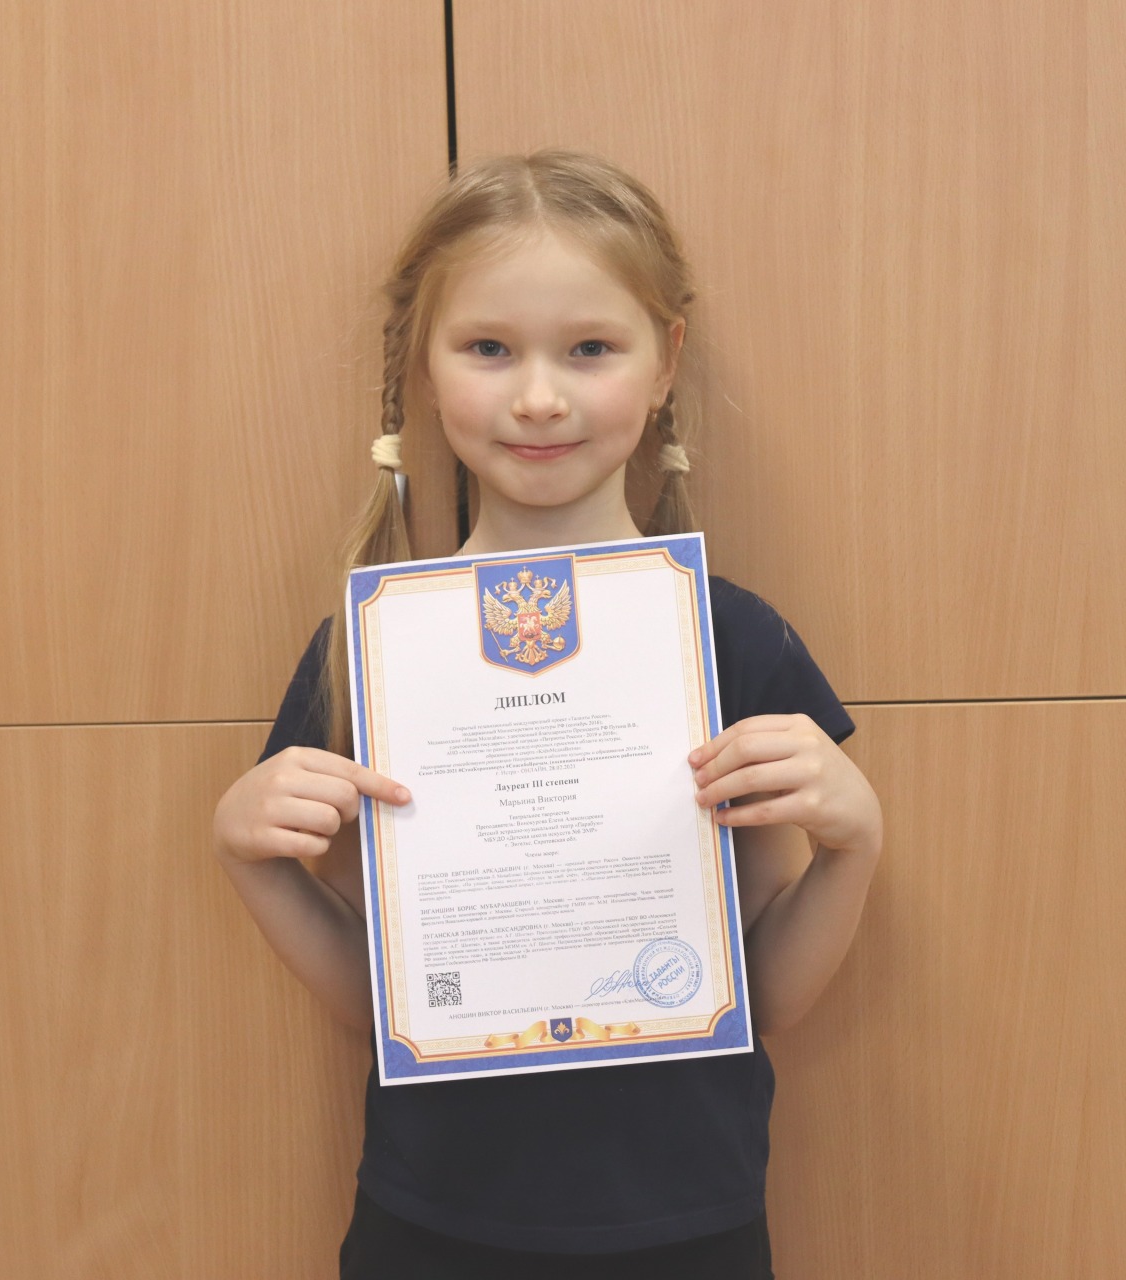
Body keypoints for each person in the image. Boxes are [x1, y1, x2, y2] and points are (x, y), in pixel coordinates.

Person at [212, 150, 883, 1279]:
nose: (537, 396)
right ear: (424, 369)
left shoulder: (730, 639)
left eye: (589, 348)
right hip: (432, 1224)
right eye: (488, 348)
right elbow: (385, 1006)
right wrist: (250, 857)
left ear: (665, 362)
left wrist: (853, 843)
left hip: (689, 1223)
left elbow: (764, 995)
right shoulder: (373, 651)